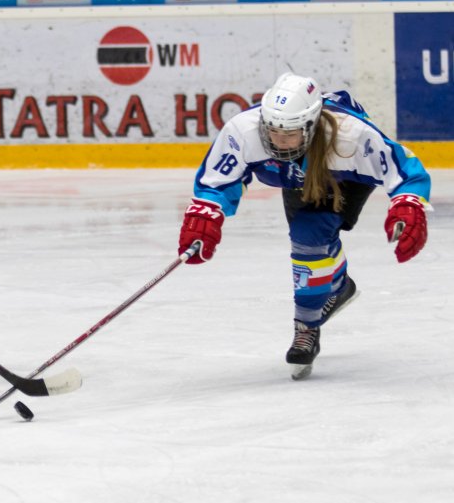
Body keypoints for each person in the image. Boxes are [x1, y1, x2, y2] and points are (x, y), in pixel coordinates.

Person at [177, 72, 431, 380]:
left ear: (311, 126)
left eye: (290, 134)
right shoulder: (243, 131)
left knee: (309, 237)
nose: (278, 141)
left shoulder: (351, 136)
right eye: (272, 131)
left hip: (342, 177)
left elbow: (405, 171)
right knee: (312, 243)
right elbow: (216, 182)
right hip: (295, 177)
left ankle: (306, 326)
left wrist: (408, 205)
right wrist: (205, 217)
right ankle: (339, 287)